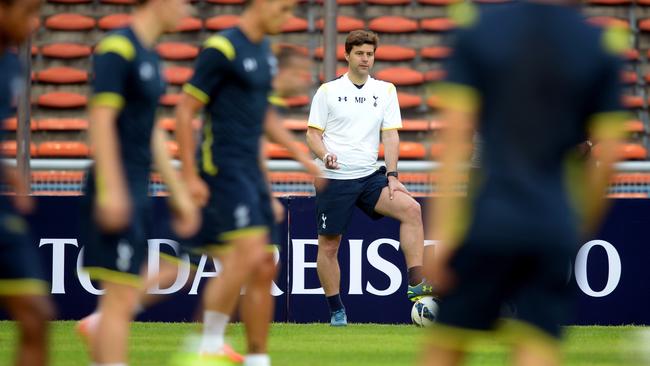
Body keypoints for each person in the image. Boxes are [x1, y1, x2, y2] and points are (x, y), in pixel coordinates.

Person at [422, 2, 627, 366]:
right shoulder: (601, 43)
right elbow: (608, 156)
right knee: (537, 343)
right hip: (553, 222)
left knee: (446, 344)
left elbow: (456, 140)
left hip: (491, 217)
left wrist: (444, 230)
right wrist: (577, 225)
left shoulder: (477, 29)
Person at [174, 0, 319, 364]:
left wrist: (300, 157)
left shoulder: (265, 54)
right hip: (222, 168)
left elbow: (262, 117)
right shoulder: (221, 49)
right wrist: (189, 176)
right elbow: (184, 110)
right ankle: (204, 348)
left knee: (265, 265)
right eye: (283, 9)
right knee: (247, 253)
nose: (287, 18)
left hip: (251, 175)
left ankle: (257, 357)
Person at [79, 0, 199, 365]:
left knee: (132, 290)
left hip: (137, 185)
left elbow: (152, 133)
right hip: (116, 183)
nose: (187, 10)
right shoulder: (118, 48)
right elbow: (99, 118)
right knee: (118, 298)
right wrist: (112, 190)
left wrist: (178, 193)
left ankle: (99, 332)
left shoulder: (149, 56)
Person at [305, 29, 432, 327]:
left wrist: (392, 175)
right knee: (330, 246)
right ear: (347, 55)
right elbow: (312, 134)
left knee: (412, 210)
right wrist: (325, 156)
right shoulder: (328, 91)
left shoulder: (385, 90)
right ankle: (336, 311)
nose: (365, 59)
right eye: (360, 53)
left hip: (369, 176)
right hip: (334, 178)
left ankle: (417, 283)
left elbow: (390, 136)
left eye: (370, 54)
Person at [0, 1, 55, 365]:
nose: (35, 22)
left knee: (36, 314)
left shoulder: (11, 63)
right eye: (28, 11)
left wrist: (9, 173)